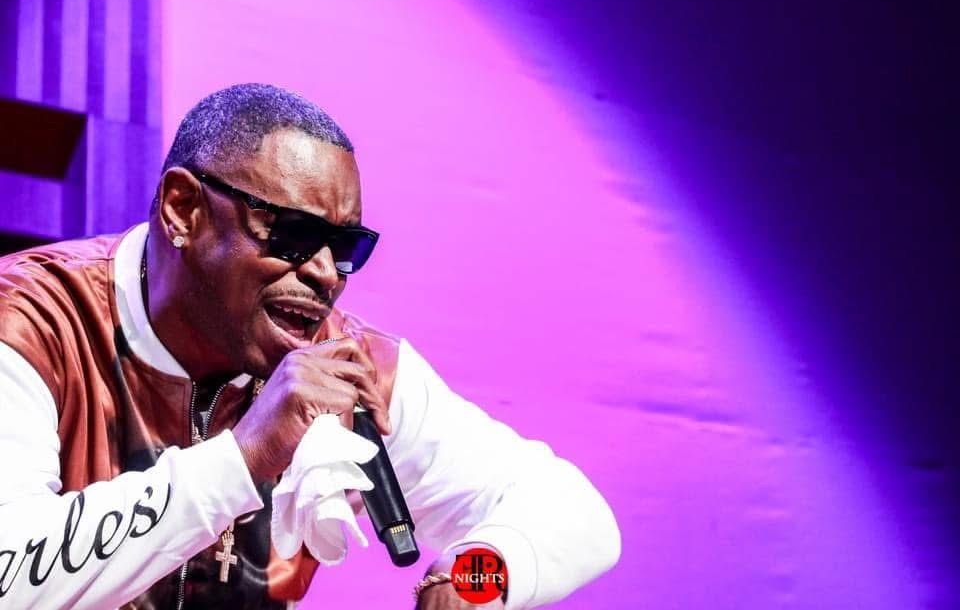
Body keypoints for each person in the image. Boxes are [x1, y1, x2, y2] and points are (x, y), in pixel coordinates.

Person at [0, 83, 620, 609]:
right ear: (183, 208)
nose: (325, 273)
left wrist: (474, 578)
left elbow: (575, 512)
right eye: (293, 233)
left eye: (345, 247)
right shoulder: (30, 322)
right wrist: (245, 456)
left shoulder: (348, 366)